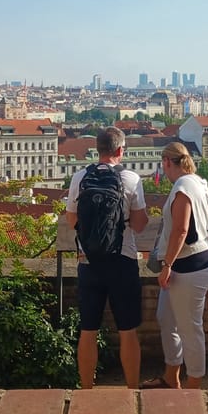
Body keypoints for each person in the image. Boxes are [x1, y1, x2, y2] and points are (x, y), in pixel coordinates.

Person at [66, 127, 148, 389]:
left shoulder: (80, 177)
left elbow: (71, 219)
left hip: (89, 262)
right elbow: (139, 224)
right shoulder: (131, 179)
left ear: (97, 149)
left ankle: (87, 389)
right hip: (122, 261)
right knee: (128, 330)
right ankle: (132, 388)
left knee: (88, 329)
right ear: (120, 150)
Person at [142, 142, 208, 389]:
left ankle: (194, 384)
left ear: (166, 162)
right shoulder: (197, 181)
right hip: (189, 262)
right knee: (166, 318)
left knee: (189, 328)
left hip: (189, 265)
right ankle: (171, 376)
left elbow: (181, 229)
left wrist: (167, 265)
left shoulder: (183, 187)